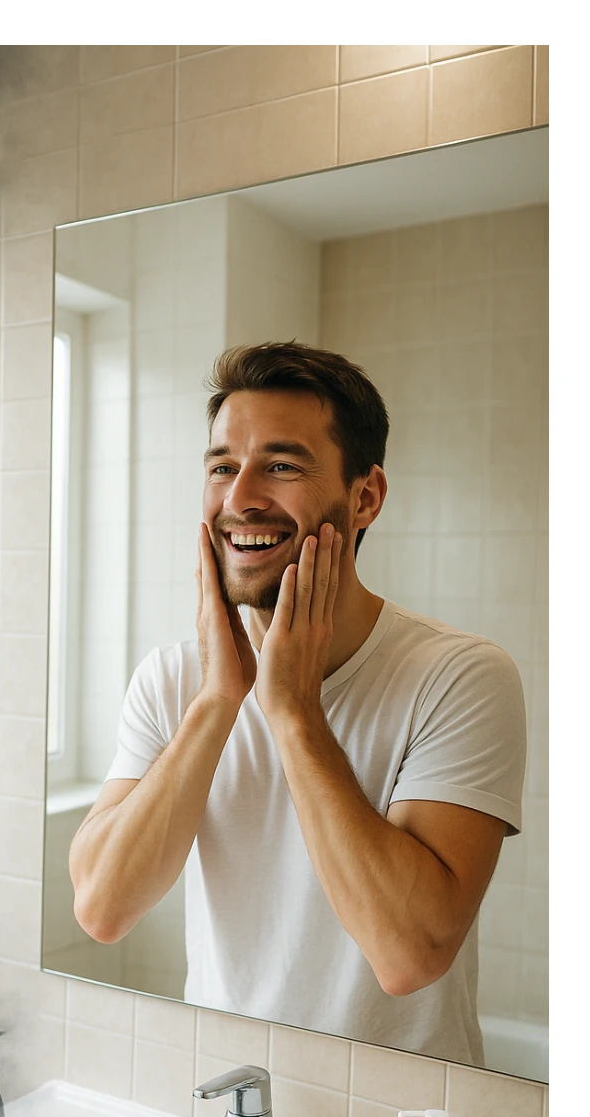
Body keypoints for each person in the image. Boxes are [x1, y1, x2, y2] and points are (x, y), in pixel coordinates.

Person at [68, 342, 526, 1065]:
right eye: (222, 466)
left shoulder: (459, 676)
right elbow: (101, 907)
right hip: (227, 1101)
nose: (240, 496)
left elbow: (408, 954)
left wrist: (293, 713)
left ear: (366, 495)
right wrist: (220, 699)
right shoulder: (171, 679)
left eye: (281, 466)